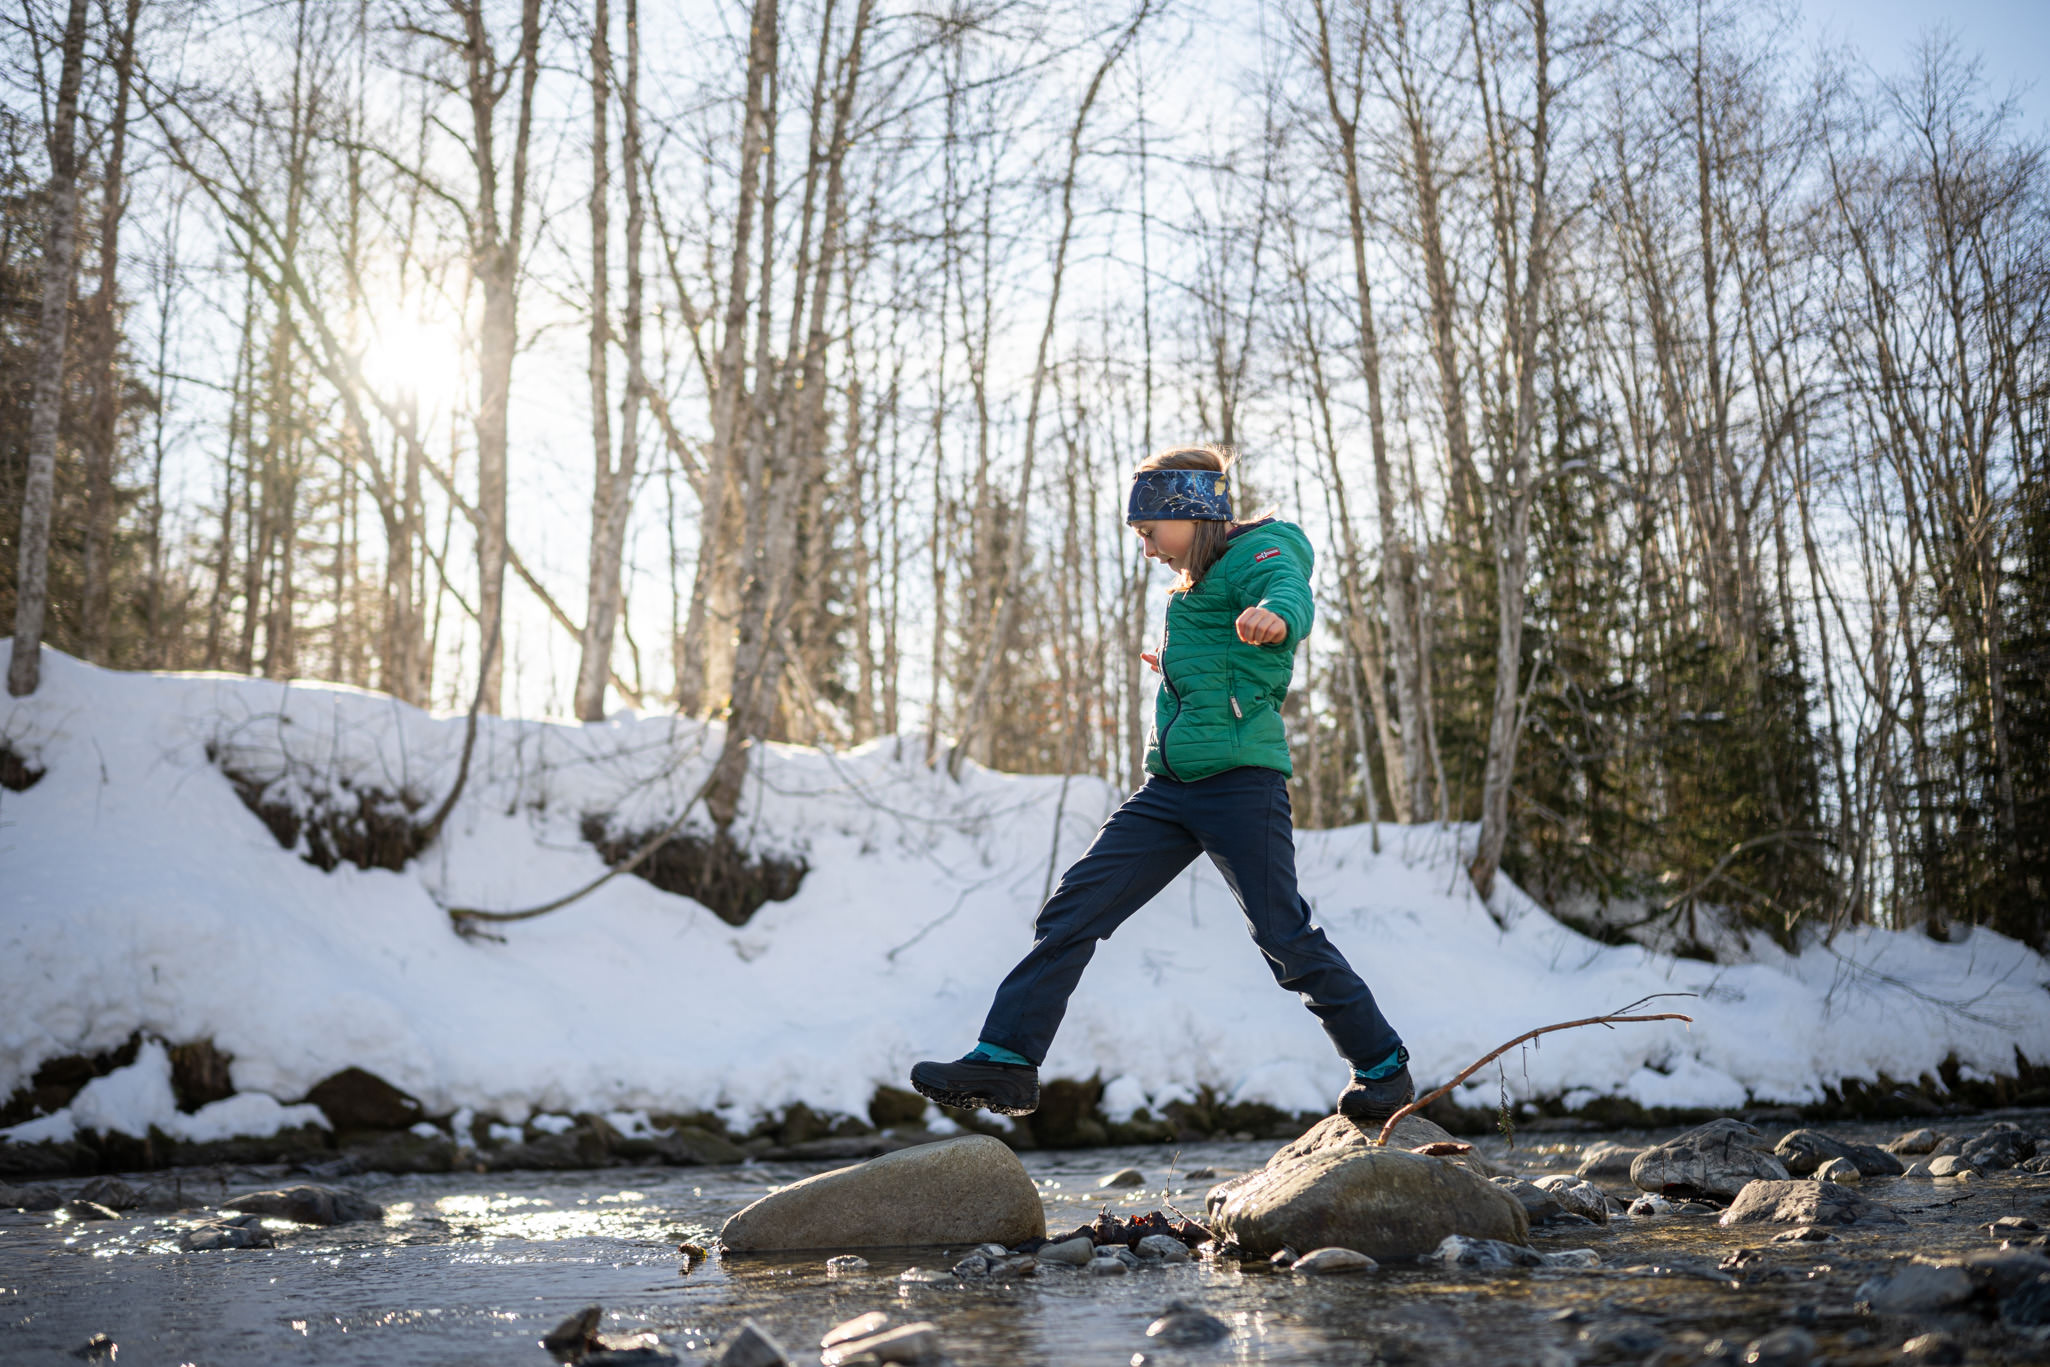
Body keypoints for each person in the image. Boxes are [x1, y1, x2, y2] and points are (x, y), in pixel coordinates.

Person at [909, 446, 1413, 1124]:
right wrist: (1178, 668)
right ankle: (1006, 1062)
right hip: (1169, 789)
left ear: (1193, 512)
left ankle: (1383, 1068)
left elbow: (1287, 591)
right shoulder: (1197, 586)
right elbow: (1219, 661)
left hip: (1240, 783)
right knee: (1071, 910)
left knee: (1283, 936)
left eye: (1150, 532)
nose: (1146, 548)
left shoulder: (1262, 551)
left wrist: (1277, 616)